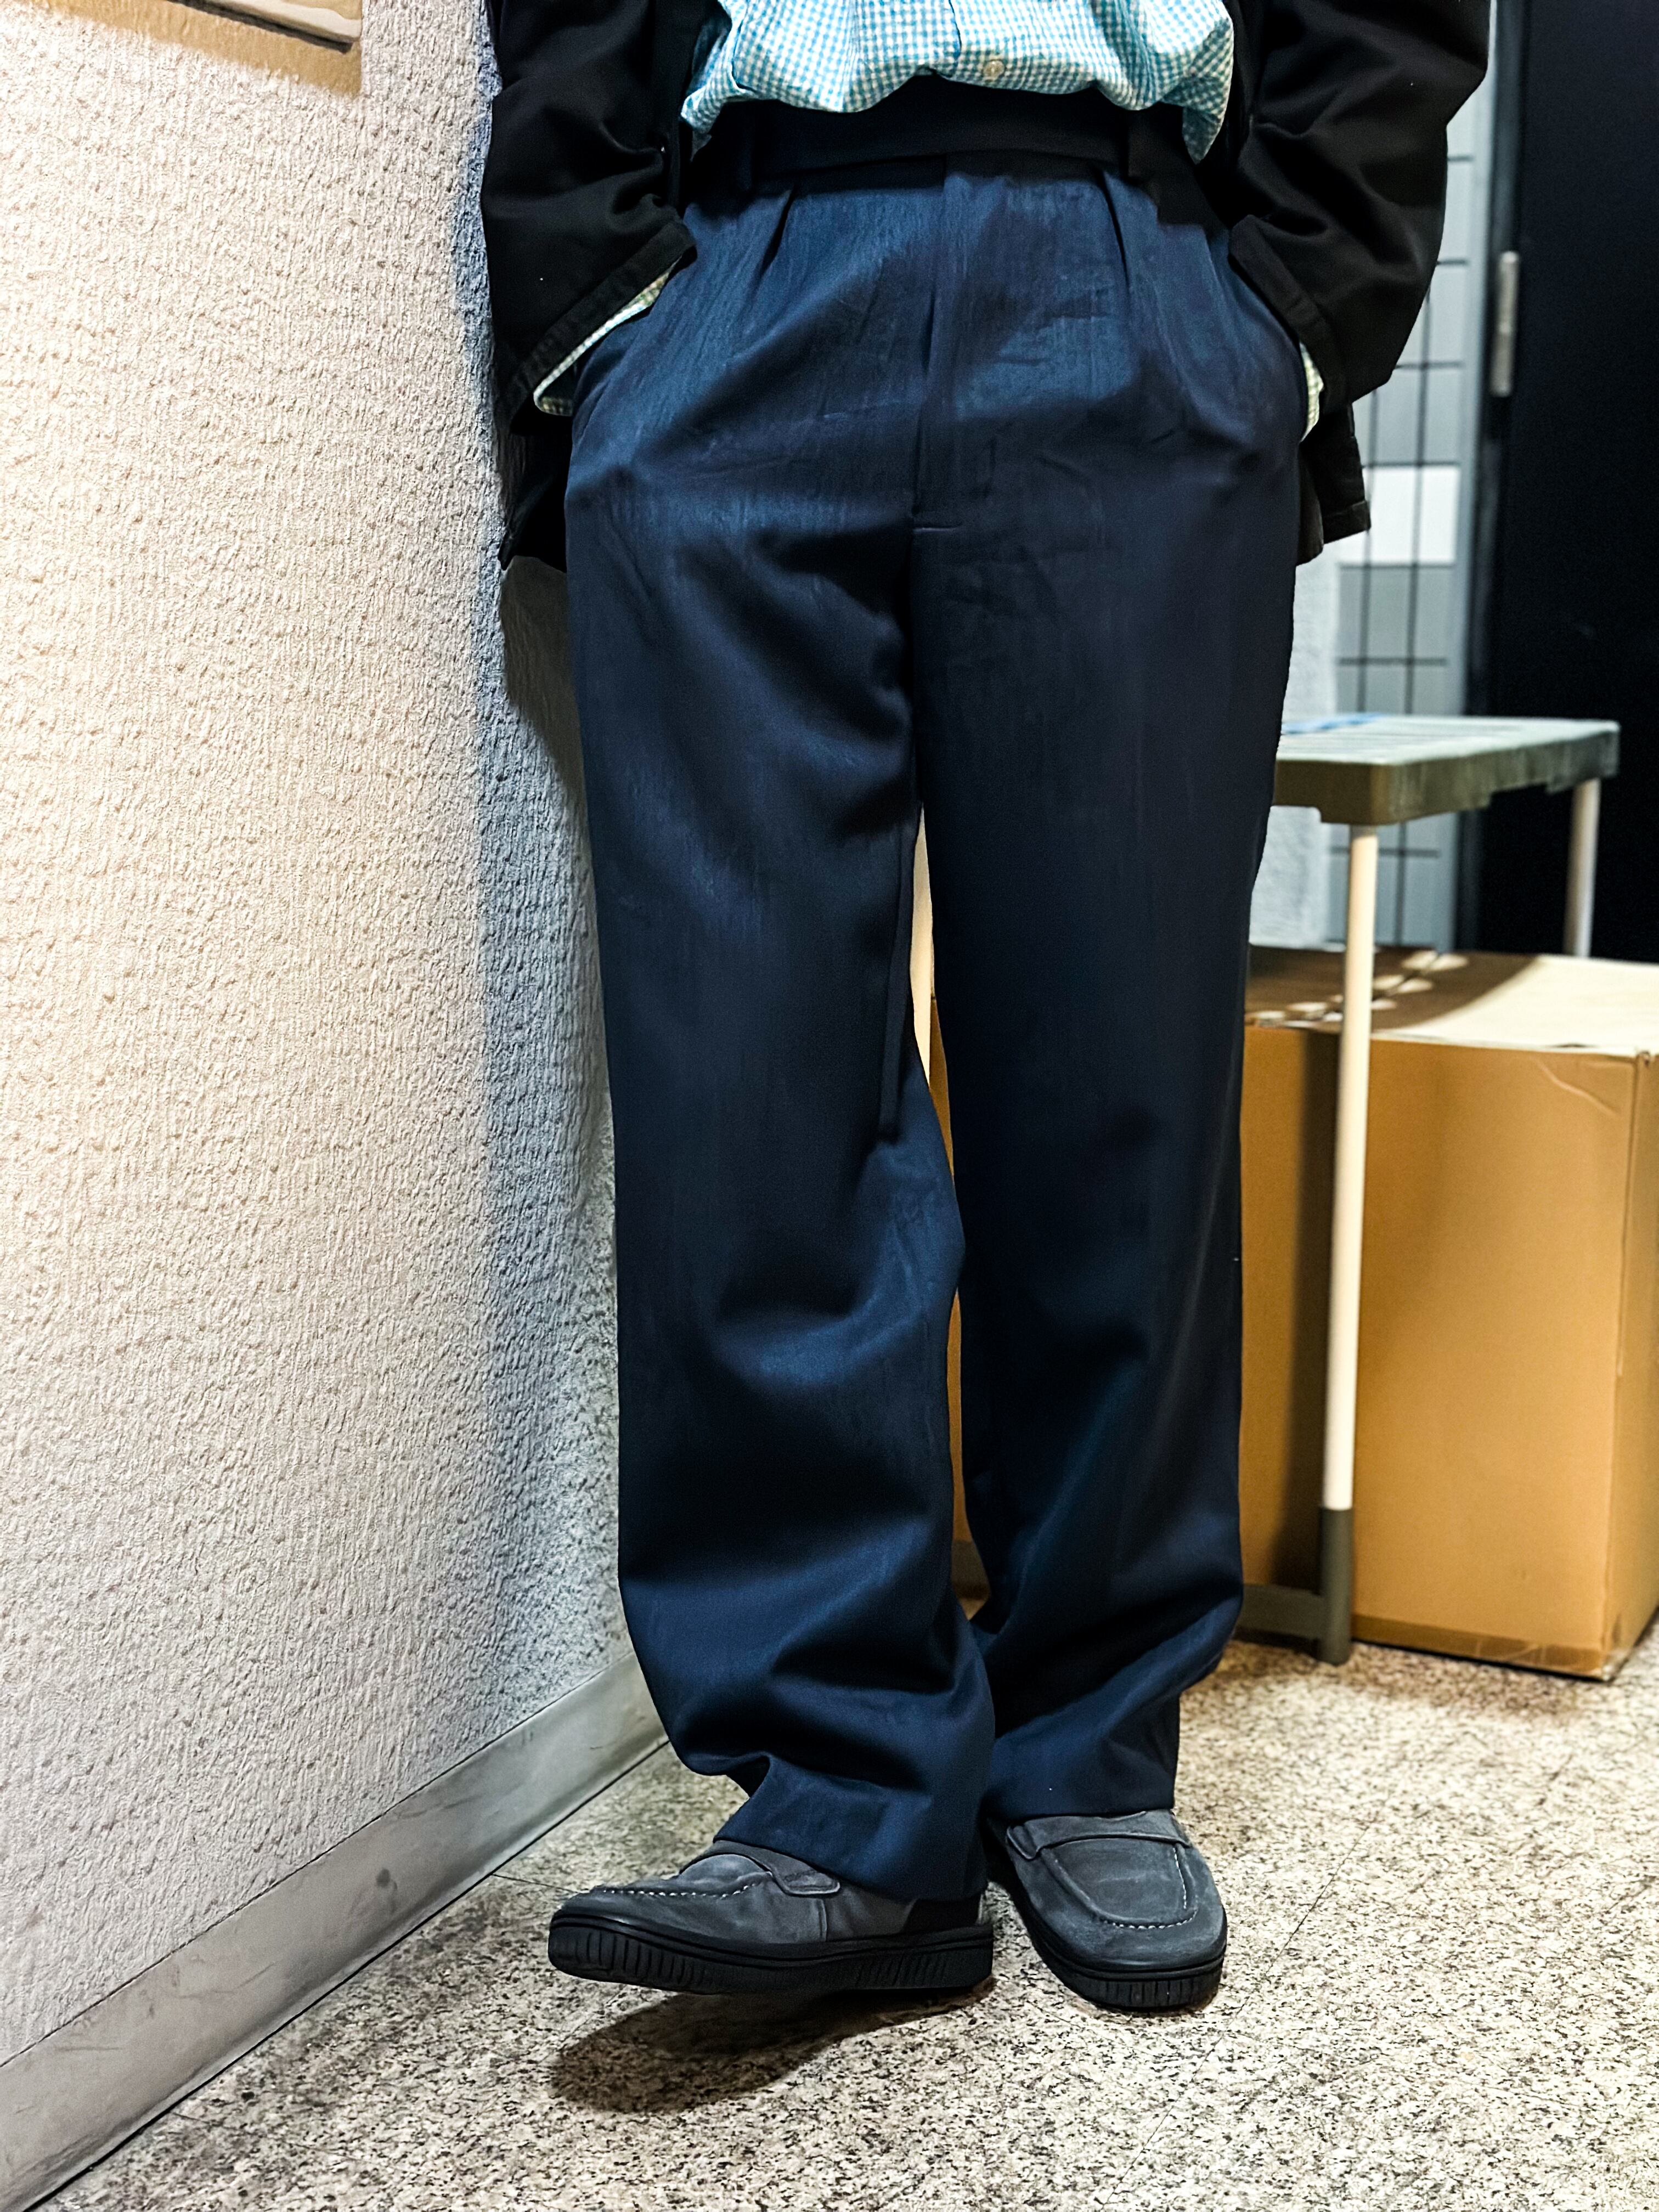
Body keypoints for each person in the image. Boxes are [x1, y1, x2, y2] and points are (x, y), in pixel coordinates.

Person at [480, 0, 1486, 2011]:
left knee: (1116, 1075)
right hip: (736, 256)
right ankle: (840, 1787)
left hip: (1134, 258)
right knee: (746, 1082)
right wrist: (606, 304)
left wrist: (1287, 312)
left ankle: (1090, 1741)